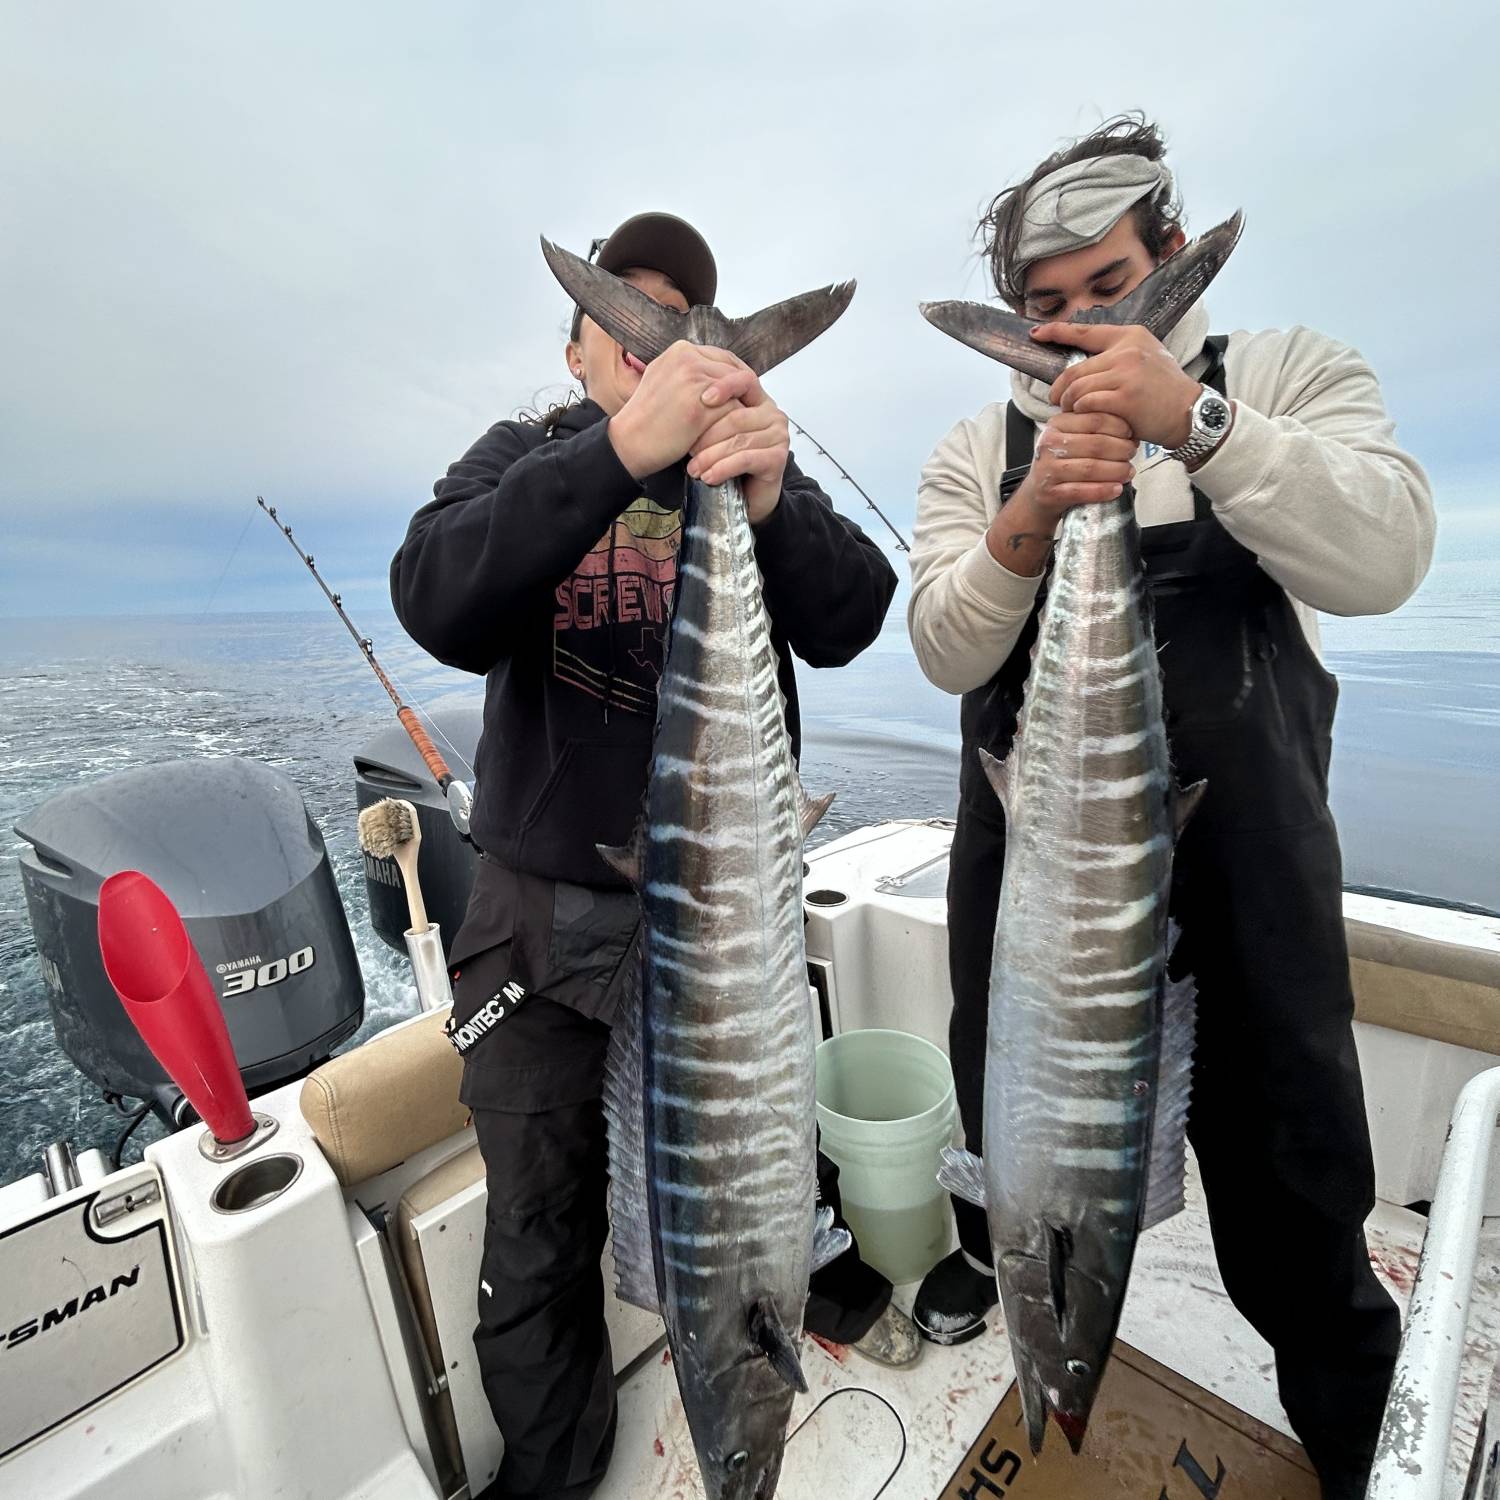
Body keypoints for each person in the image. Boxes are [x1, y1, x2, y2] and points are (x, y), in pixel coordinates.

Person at [906, 117, 1434, 1496]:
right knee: (1031, 1173)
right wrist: (1035, 512)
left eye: (1110, 289)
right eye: (1050, 308)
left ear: (1179, 264)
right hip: (1041, 918)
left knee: (1302, 1234)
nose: (1081, 328)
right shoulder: (978, 446)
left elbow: (1388, 554)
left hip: (1252, 911)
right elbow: (948, 647)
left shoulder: (1284, 376)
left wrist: (1191, 423)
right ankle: (1033, 1312)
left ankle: (1361, 1455)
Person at [391, 211, 916, 1500]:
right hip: (541, 926)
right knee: (539, 1225)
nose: (658, 339)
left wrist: (773, 493)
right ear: (581, 354)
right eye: (627, 317)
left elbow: (853, 617)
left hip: (726, 907)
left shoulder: (747, 472)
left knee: (761, 1152)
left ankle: (807, 1312)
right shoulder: (526, 459)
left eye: (686, 318)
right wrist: (624, 453)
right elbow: (436, 596)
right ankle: (559, 1476)